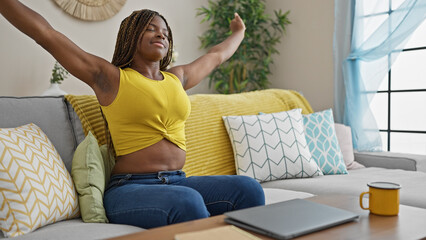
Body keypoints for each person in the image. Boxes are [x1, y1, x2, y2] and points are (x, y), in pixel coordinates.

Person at [0, 1, 265, 229]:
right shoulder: (111, 78)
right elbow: (46, 34)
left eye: (165, 32)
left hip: (178, 181)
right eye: (150, 28)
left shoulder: (177, 78)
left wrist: (239, 32)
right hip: (130, 189)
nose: (160, 34)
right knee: (188, 202)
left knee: (249, 189)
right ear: (131, 35)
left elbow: (217, 56)